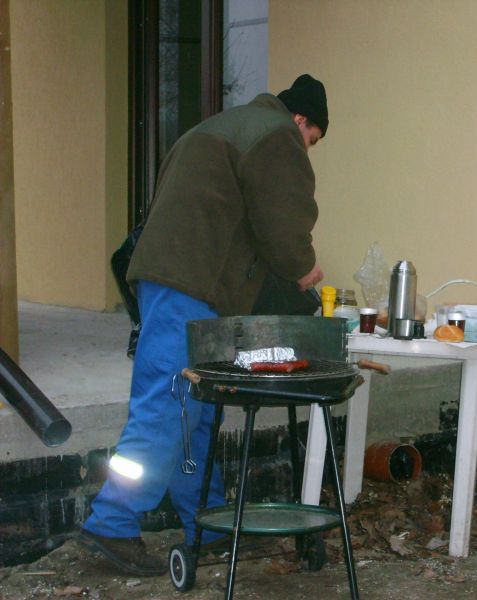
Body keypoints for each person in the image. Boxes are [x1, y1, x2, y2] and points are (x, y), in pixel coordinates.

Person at [78, 75, 329, 576]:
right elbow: (282, 224)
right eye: (313, 139)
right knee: (169, 403)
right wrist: (304, 270)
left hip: (173, 278)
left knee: (195, 409)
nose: (307, 149)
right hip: (191, 283)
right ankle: (113, 521)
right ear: (301, 119)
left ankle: (209, 525)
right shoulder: (276, 134)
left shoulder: (216, 127)